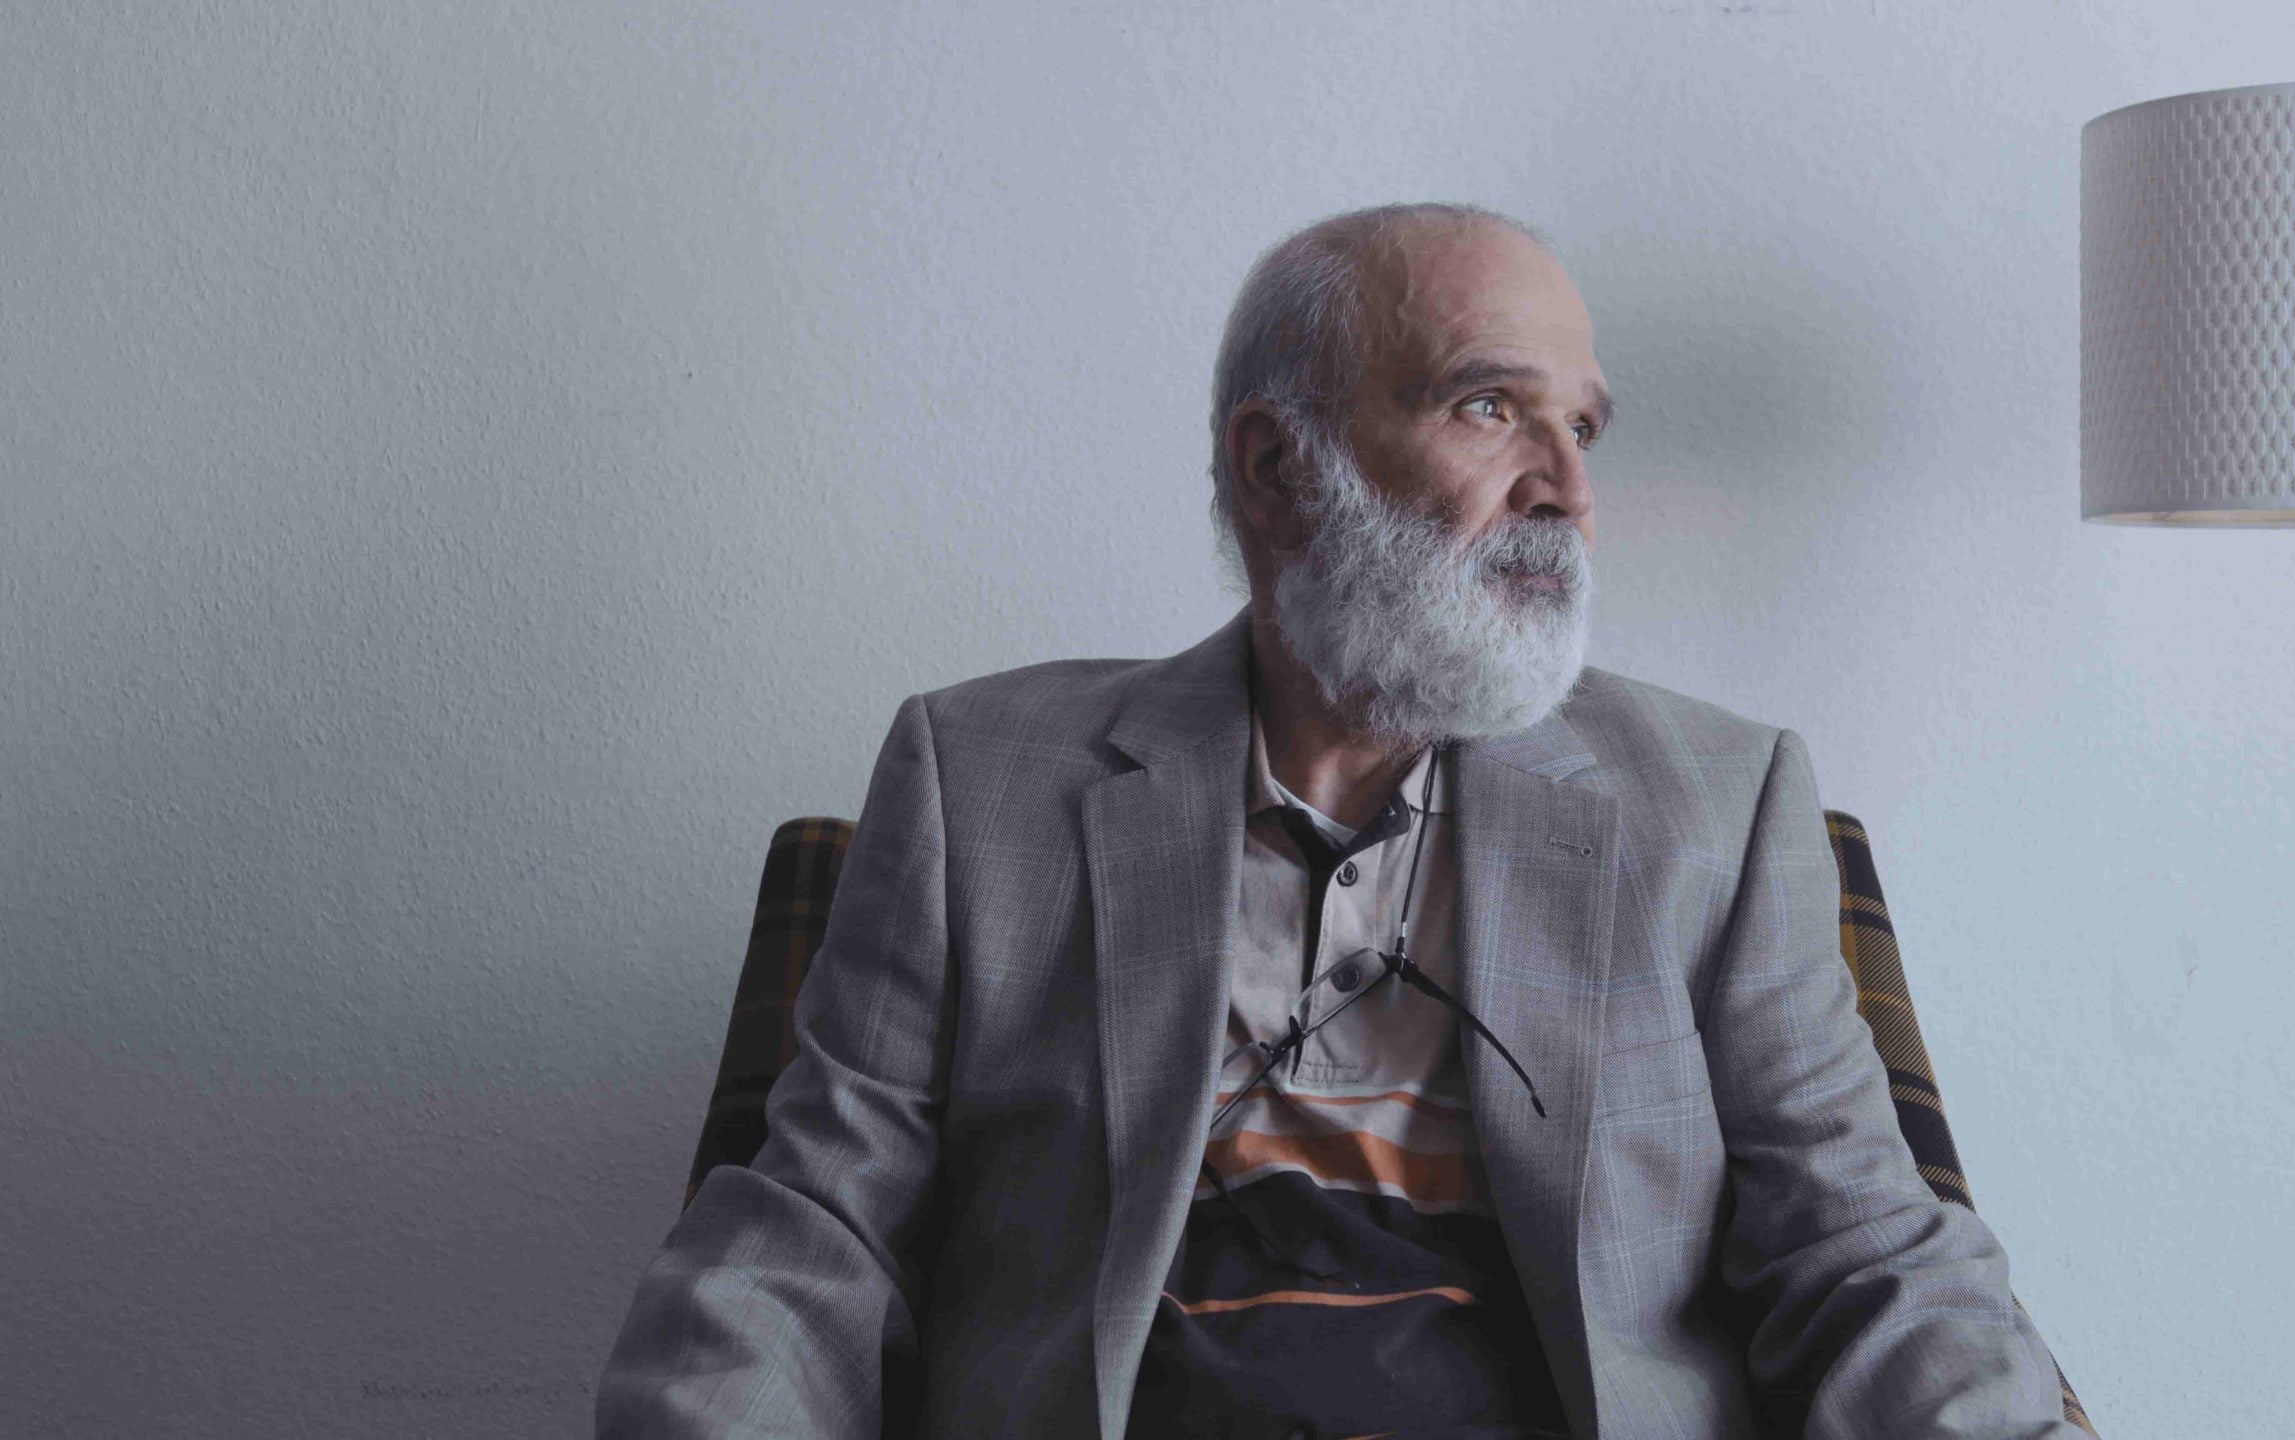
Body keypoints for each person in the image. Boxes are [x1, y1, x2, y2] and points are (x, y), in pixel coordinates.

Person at [595, 202, 2078, 1439]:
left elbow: (1868, 1254)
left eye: (1584, 428)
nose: (1566, 487)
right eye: (1491, 406)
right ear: (1276, 461)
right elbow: (809, 1243)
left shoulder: (1714, 802)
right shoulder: (981, 780)